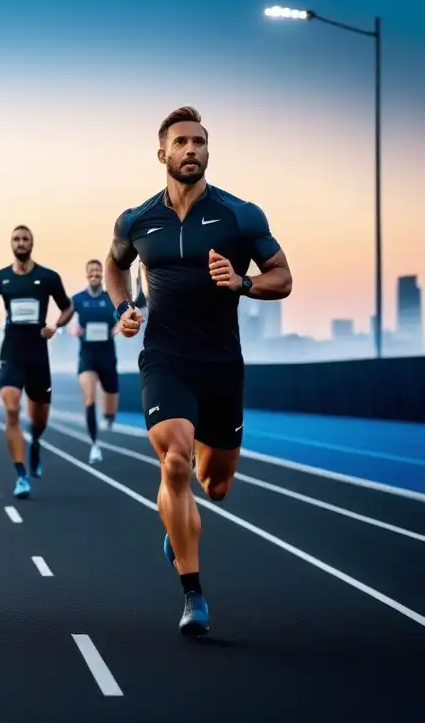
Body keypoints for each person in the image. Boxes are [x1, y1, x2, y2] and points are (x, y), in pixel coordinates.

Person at [105, 106, 292, 636]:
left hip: (221, 365)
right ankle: (193, 596)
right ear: (162, 153)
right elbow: (115, 266)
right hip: (165, 357)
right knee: (175, 461)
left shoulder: (240, 215)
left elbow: (283, 276)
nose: (192, 150)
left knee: (216, 485)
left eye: (200, 143)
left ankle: (176, 521)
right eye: (182, 142)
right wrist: (124, 310)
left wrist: (243, 283)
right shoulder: (136, 220)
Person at [0, 226, 74, 499]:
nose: (20, 243)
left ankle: (35, 442)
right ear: (11, 243)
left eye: (25, 239)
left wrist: (56, 327)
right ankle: (21, 475)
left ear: (32, 244)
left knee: (39, 420)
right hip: (11, 353)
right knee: (11, 409)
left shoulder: (47, 277)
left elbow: (68, 307)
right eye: (16, 239)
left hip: (38, 356)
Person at [69, 258, 120, 464]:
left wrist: (116, 329)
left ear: (102, 274)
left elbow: (122, 318)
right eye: (91, 271)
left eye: (98, 271)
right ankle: (94, 446)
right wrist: (73, 329)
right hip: (87, 356)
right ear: (86, 274)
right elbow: (68, 320)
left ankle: (109, 416)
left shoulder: (111, 298)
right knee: (89, 399)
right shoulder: (78, 299)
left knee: (110, 404)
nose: (95, 274)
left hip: (107, 355)